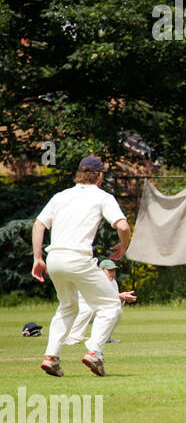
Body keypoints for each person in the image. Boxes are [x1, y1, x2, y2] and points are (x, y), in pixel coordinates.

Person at [31, 156, 131, 376]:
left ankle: (51, 357)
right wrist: (124, 246)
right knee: (110, 305)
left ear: (79, 174)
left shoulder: (61, 196)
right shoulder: (102, 197)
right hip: (78, 259)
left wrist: (37, 258)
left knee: (67, 307)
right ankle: (94, 353)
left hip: (54, 259)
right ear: (100, 175)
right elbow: (123, 225)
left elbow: (39, 224)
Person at [65, 259, 136, 347]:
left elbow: (113, 303)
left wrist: (122, 299)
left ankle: (105, 338)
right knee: (88, 310)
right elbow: (98, 297)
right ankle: (72, 338)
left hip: (98, 309)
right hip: (79, 309)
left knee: (117, 311)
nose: (112, 273)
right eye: (109, 270)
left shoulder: (113, 282)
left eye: (113, 270)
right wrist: (119, 296)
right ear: (101, 270)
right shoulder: (94, 280)